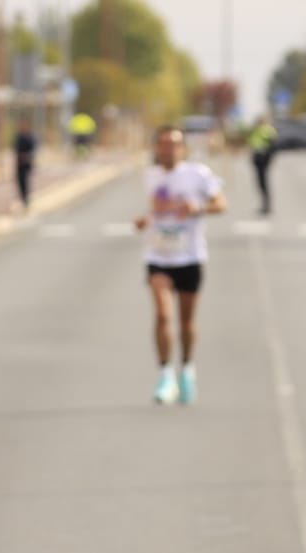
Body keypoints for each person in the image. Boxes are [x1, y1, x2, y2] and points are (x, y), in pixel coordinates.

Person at [133, 127, 226, 406]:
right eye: (162, 144)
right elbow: (156, 209)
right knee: (162, 315)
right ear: (156, 148)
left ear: (182, 148)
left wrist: (199, 209)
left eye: (173, 144)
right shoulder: (151, 175)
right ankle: (165, 375)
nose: (167, 150)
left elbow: (221, 204)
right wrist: (145, 220)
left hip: (189, 257)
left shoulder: (198, 174)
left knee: (186, 321)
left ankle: (186, 368)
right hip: (158, 256)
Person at [248, 116, 278, 215]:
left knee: (263, 182)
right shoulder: (258, 130)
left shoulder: (266, 130)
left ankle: (267, 206)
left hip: (263, 158)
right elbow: (253, 143)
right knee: (261, 183)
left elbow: (273, 145)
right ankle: (265, 205)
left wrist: (268, 156)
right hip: (258, 158)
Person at [13, 120, 37, 211]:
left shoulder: (29, 137)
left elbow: (32, 150)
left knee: (25, 181)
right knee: (19, 181)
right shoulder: (18, 137)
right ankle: (23, 199)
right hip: (19, 163)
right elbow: (16, 149)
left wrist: (26, 157)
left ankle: (26, 200)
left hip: (26, 163)